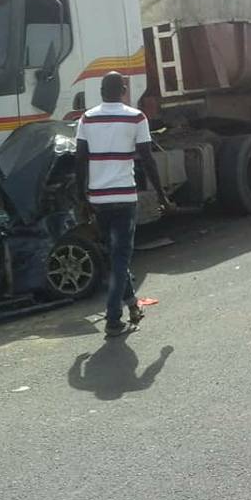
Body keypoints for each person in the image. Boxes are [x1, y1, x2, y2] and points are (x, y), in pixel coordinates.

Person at [75, 72, 173, 338]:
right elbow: (148, 160)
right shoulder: (136, 117)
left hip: (98, 200)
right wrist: (162, 196)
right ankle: (113, 318)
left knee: (114, 256)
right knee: (119, 258)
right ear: (124, 90)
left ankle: (132, 307)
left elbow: (80, 160)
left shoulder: (87, 118)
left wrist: (81, 198)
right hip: (124, 199)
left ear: (101, 90)